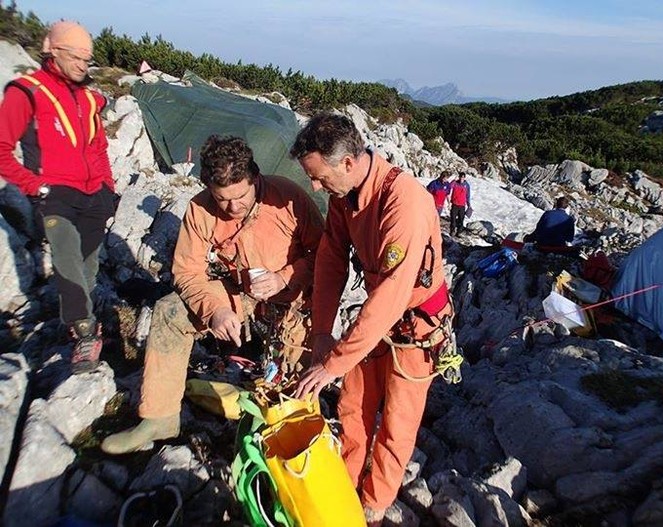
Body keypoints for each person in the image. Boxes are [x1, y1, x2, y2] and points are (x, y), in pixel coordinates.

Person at [101, 135, 324, 454]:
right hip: (243, 291)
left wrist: (283, 277)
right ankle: (159, 417)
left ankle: (290, 440)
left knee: (292, 392)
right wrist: (214, 311)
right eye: (222, 200)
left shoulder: (288, 197)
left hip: (295, 298)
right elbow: (187, 272)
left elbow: (325, 254)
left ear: (255, 178)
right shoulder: (200, 209)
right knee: (170, 311)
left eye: (241, 197)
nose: (233, 208)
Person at [290, 114, 453, 526]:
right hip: (379, 320)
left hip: (416, 325)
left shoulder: (404, 203)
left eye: (318, 176)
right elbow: (330, 259)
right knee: (352, 404)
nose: (314, 186)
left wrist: (333, 364)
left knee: (397, 422)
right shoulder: (344, 195)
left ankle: (374, 504)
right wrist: (323, 332)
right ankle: (342, 485)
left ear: (347, 163)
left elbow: (392, 295)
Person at [0, 21, 116, 373]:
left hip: (94, 193)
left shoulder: (87, 98)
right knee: (67, 262)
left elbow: (99, 147)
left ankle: (83, 316)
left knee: (88, 267)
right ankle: (84, 334)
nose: (84, 64)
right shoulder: (27, 91)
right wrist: (32, 185)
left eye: (88, 58)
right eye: (77, 57)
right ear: (53, 51)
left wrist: (108, 188)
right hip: (55, 195)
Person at [449, 171, 471, 237]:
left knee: (461, 219)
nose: (462, 179)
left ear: (464, 178)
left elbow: (468, 195)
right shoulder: (455, 183)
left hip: (462, 205)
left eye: (463, 177)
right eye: (461, 177)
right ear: (459, 177)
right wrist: (453, 180)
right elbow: (449, 187)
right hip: (455, 204)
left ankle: (459, 231)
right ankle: (452, 230)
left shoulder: (466, 185)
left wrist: (468, 204)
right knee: (453, 218)